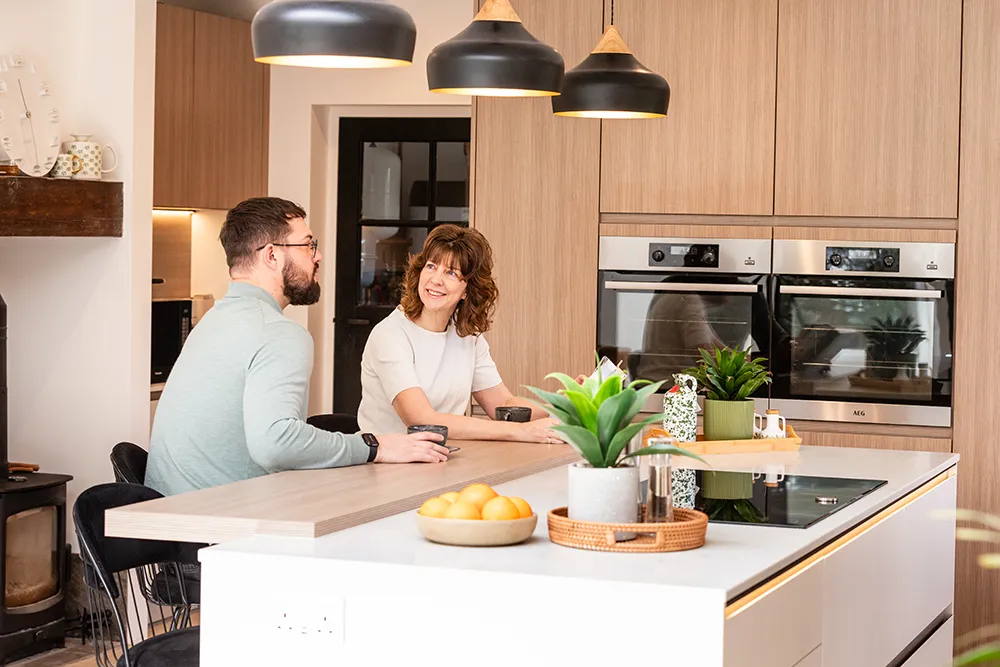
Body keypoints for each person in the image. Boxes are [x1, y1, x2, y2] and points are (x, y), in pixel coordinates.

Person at [145, 197, 450, 497]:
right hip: (219, 532)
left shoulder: (213, 321)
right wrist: (375, 446)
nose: (317, 256)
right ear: (272, 256)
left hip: (167, 525)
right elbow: (275, 444)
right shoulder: (279, 333)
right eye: (308, 245)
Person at [357, 224, 562, 444]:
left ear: (467, 290)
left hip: (440, 459)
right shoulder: (390, 335)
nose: (436, 279)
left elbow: (503, 406)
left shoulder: (468, 337)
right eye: (431, 266)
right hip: (386, 465)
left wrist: (563, 404)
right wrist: (521, 432)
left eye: (451, 273)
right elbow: (421, 420)